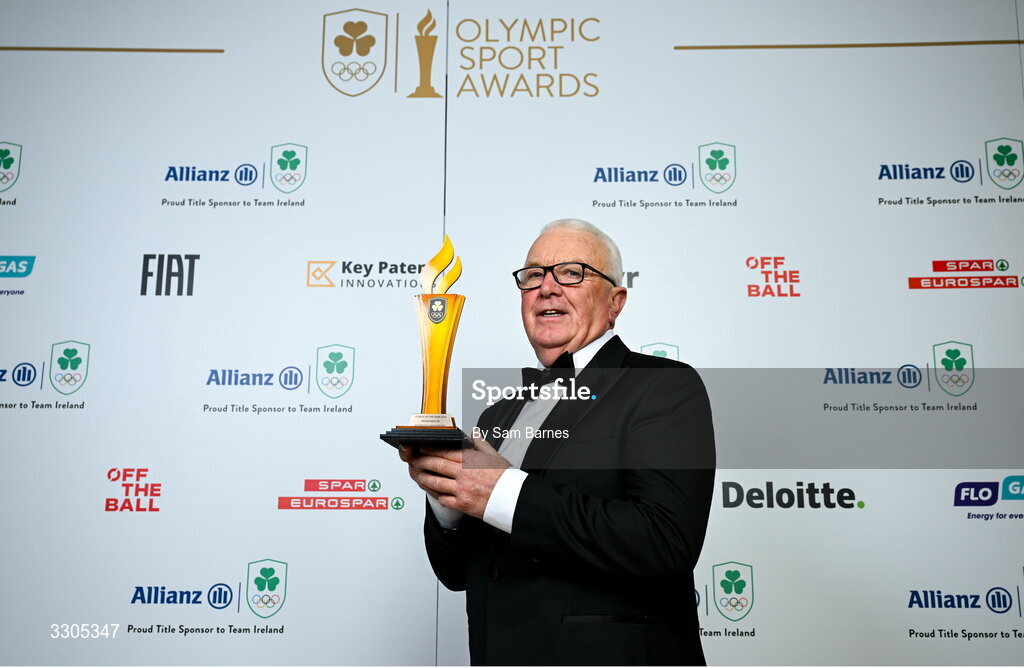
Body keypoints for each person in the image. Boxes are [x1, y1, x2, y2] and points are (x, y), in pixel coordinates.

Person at [399, 219, 715, 665]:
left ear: (615, 302)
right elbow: (457, 575)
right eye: (533, 276)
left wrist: (502, 491)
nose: (546, 287)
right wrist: (449, 497)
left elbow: (665, 541)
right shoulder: (498, 414)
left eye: (572, 272)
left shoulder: (664, 386)